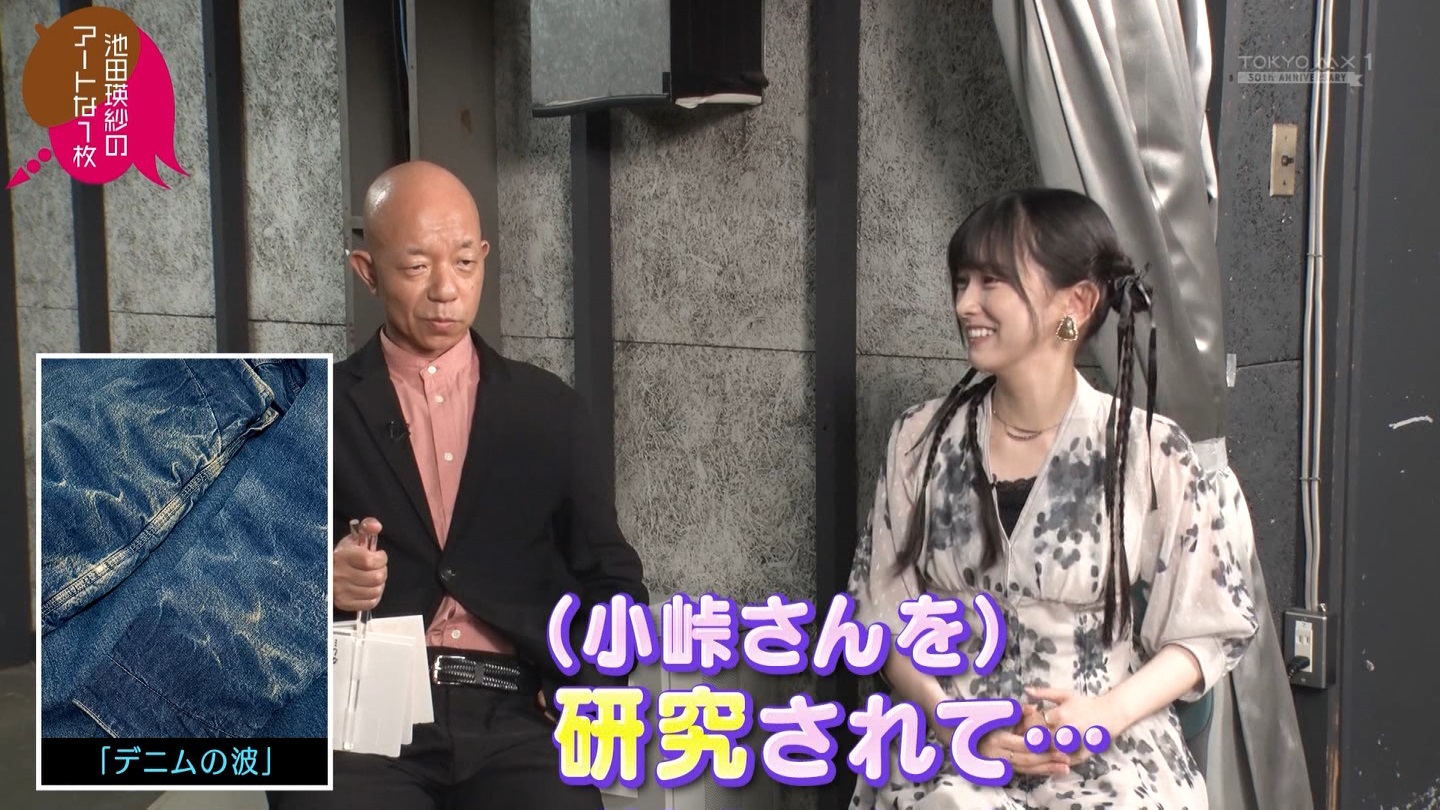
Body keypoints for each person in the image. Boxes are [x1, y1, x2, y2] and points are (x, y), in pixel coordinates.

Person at [846, 188, 1259, 808]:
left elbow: (1208, 627)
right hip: (953, 740)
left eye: (991, 281)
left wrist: (1105, 714)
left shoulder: (1149, 448)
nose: (965, 304)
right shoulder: (918, 440)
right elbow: (880, 613)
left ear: (1078, 303)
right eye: (961, 282)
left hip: (1107, 742)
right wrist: (952, 721)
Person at [268, 160, 647, 810]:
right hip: (358, 705)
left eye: (465, 263)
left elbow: (612, 577)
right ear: (367, 271)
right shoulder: (310, 409)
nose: (446, 290)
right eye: (417, 266)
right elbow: (236, 585)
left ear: (484, 260)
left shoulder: (548, 409)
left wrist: (589, 682)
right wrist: (319, 580)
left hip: (518, 707)